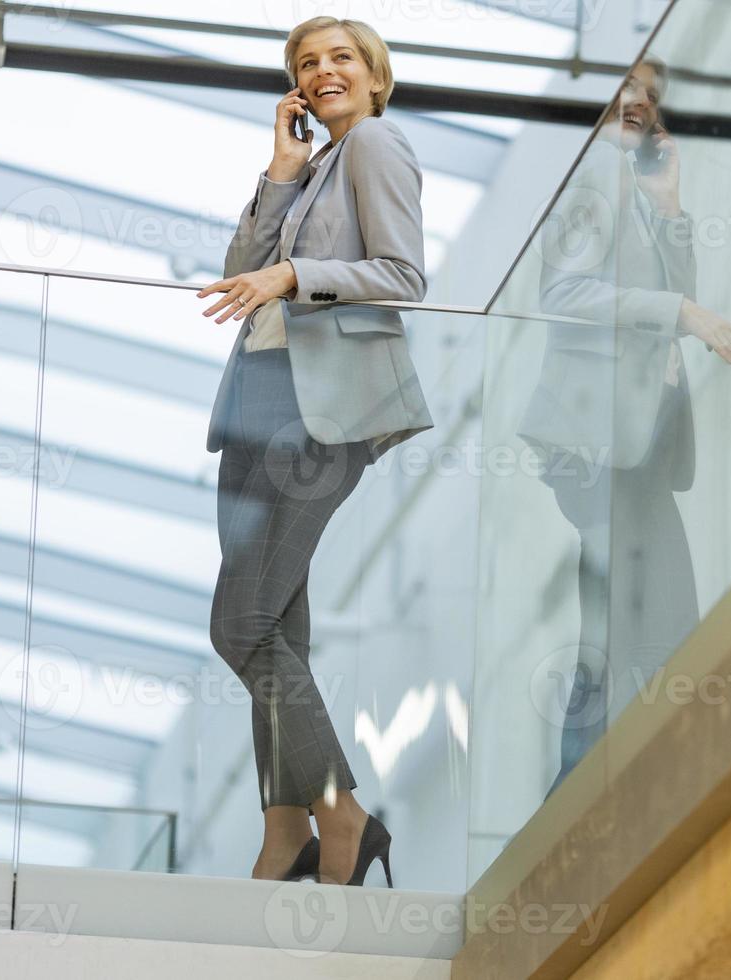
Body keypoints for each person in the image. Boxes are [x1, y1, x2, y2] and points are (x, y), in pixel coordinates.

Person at [195, 16, 428, 887]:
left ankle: (342, 816)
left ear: (374, 75)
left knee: (241, 624)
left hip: (320, 408)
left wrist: (295, 275)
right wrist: (280, 172)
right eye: (306, 63)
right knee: (277, 623)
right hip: (255, 404)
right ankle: (283, 828)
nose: (322, 72)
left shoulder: (375, 144)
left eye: (339, 60)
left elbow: (404, 276)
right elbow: (237, 270)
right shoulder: (318, 163)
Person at [517, 56, 731, 796]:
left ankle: (589, 780)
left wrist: (672, 207)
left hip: (634, 441)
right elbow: (563, 292)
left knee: (638, 616)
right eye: (624, 90)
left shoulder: (633, 193)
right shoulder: (590, 175)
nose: (637, 104)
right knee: (647, 616)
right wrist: (680, 313)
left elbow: (677, 300)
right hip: (596, 437)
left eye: (648, 97)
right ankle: (593, 782)